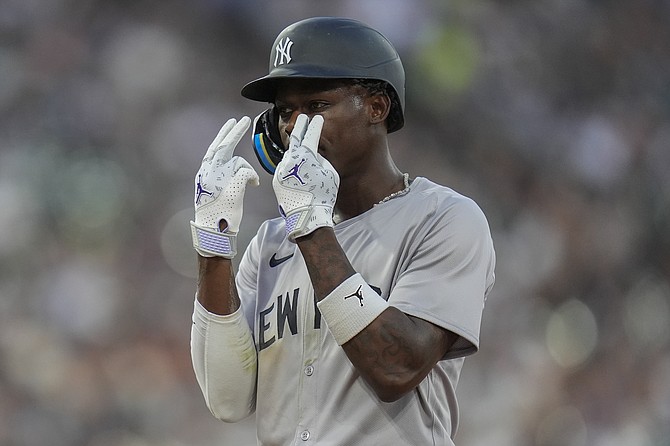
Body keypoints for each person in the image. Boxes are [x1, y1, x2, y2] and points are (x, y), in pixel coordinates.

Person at [189, 17, 496, 446]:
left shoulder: (443, 218)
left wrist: (310, 226)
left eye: (316, 106)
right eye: (284, 111)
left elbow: (398, 368)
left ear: (376, 108)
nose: (295, 127)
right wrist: (213, 243)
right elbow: (228, 400)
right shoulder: (272, 244)